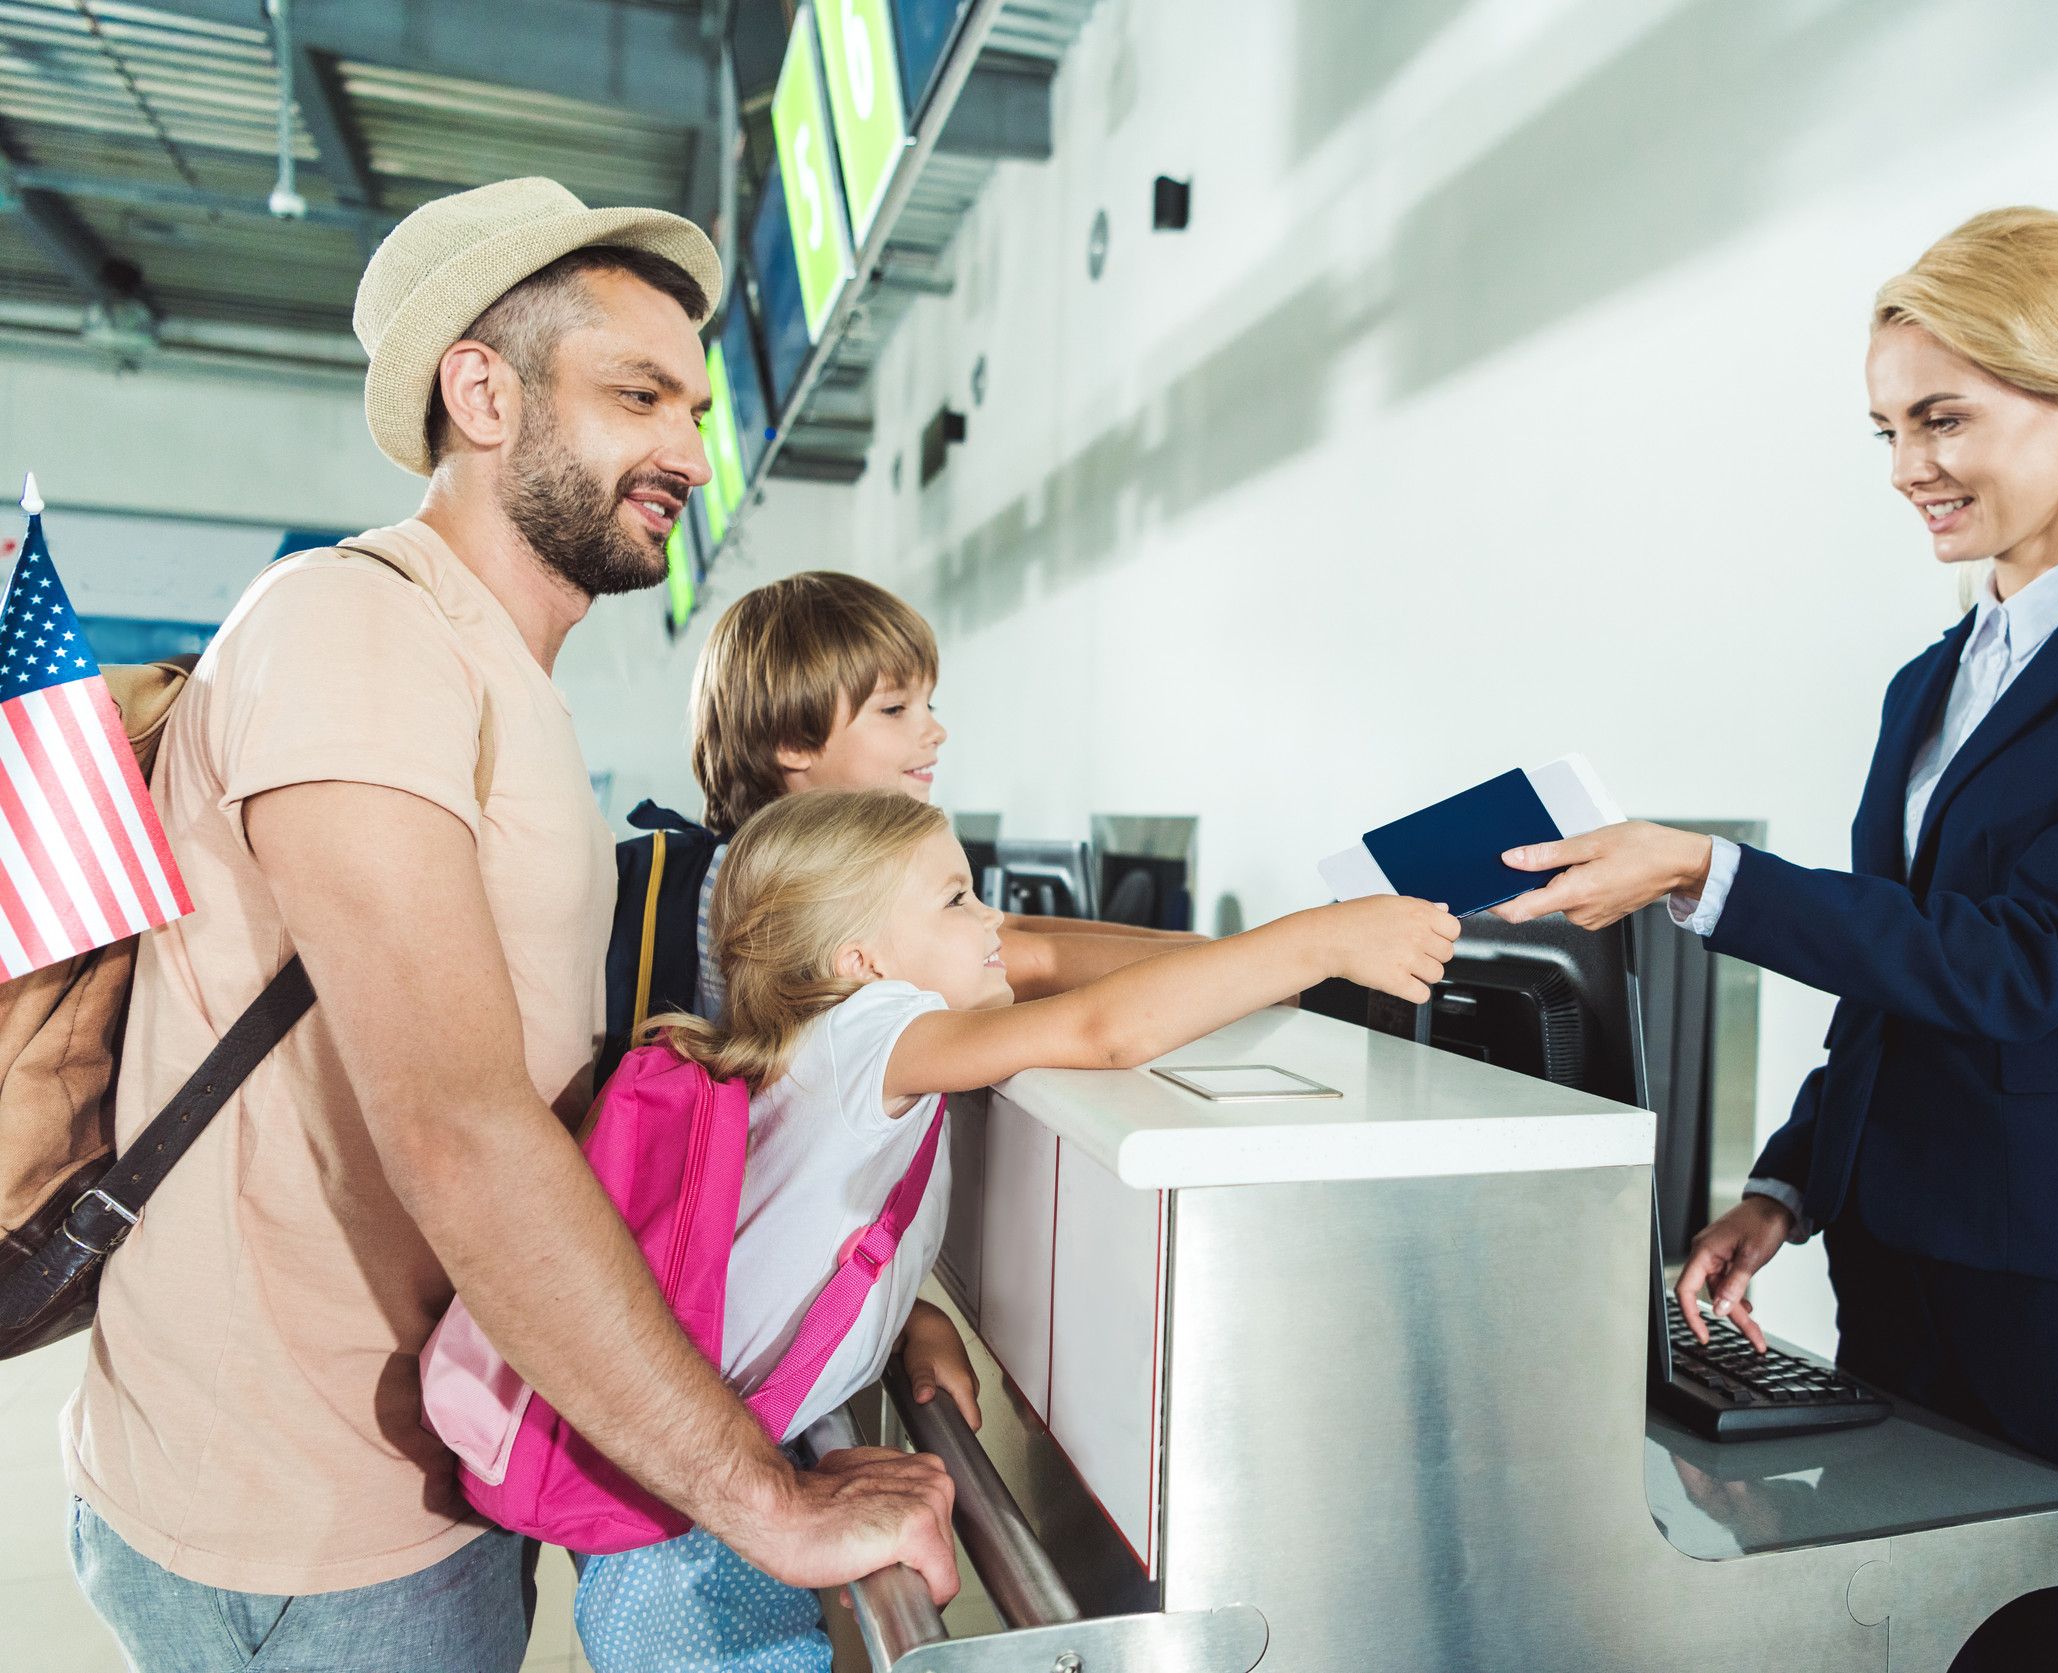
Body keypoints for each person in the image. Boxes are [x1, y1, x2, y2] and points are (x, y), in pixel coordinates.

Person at [64, 179, 951, 1673]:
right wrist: (767, 1502)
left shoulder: (498, 678)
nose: (684, 448)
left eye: (690, 405)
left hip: (430, 1468)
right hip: (308, 1528)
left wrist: (847, 1311)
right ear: (480, 391)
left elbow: (560, 1111)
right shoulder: (355, 626)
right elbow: (461, 1126)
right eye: (635, 395)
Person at [1492, 208, 2058, 1672]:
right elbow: (1898, 974)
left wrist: (1706, 875)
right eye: (1881, 430)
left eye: (1941, 418)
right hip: (1903, 1264)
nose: (1906, 468)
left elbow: (2027, 961)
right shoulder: (1926, 683)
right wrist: (1784, 1185)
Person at [572, 789, 1460, 1670]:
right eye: (956, 899)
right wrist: (1321, 941)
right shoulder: (870, 1031)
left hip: (685, 1495)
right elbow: (1100, 1030)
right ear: (860, 958)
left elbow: (791, 1244)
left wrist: (911, 1318)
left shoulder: (835, 1049)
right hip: (677, 1538)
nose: (993, 919)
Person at [606, 569, 1191, 1067]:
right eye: (894, 709)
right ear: (791, 741)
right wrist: (1263, 969)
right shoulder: (790, 890)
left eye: (927, 704)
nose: (935, 731)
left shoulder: (799, 861)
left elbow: (1012, 929)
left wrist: (1211, 946)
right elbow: (1037, 962)